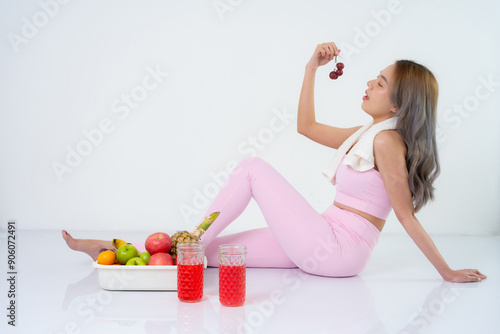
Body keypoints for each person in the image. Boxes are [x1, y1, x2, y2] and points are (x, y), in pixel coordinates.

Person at [63, 42, 486, 283]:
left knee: (251, 168)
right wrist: (310, 68)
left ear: (399, 101)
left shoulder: (388, 142)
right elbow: (305, 126)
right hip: (321, 235)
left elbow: (406, 216)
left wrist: (445, 272)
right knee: (207, 255)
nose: (369, 85)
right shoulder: (367, 135)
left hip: (338, 250)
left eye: (379, 83)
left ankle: (187, 236)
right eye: (373, 78)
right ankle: (116, 254)